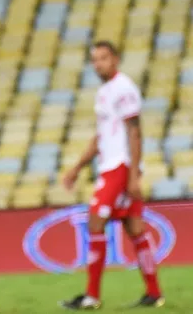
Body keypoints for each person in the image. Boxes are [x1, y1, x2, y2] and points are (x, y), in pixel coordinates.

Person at [60, 41, 164, 310]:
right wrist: (76, 168)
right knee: (135, 228)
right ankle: (154, 293)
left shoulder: (124, 88)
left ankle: (92, 297)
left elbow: (135, 131)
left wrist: (133, 176)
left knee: (95, 222)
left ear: (115, 59)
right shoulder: (105, 92)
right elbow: (100, 137)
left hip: (120, 168)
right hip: (111, 166)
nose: (98, 64)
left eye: (103, 58)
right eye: (94, 60)